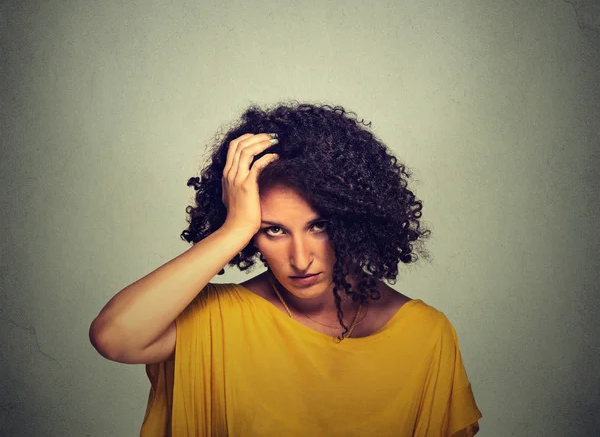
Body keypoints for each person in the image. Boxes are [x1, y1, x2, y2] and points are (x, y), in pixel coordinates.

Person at [89, 101, 482, 436]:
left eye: (319, 226)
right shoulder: (218, 318)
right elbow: (115, 337)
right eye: (273, 230)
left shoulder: (426, 335)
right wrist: (236, 226)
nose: (300, 258)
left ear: (355, 221)